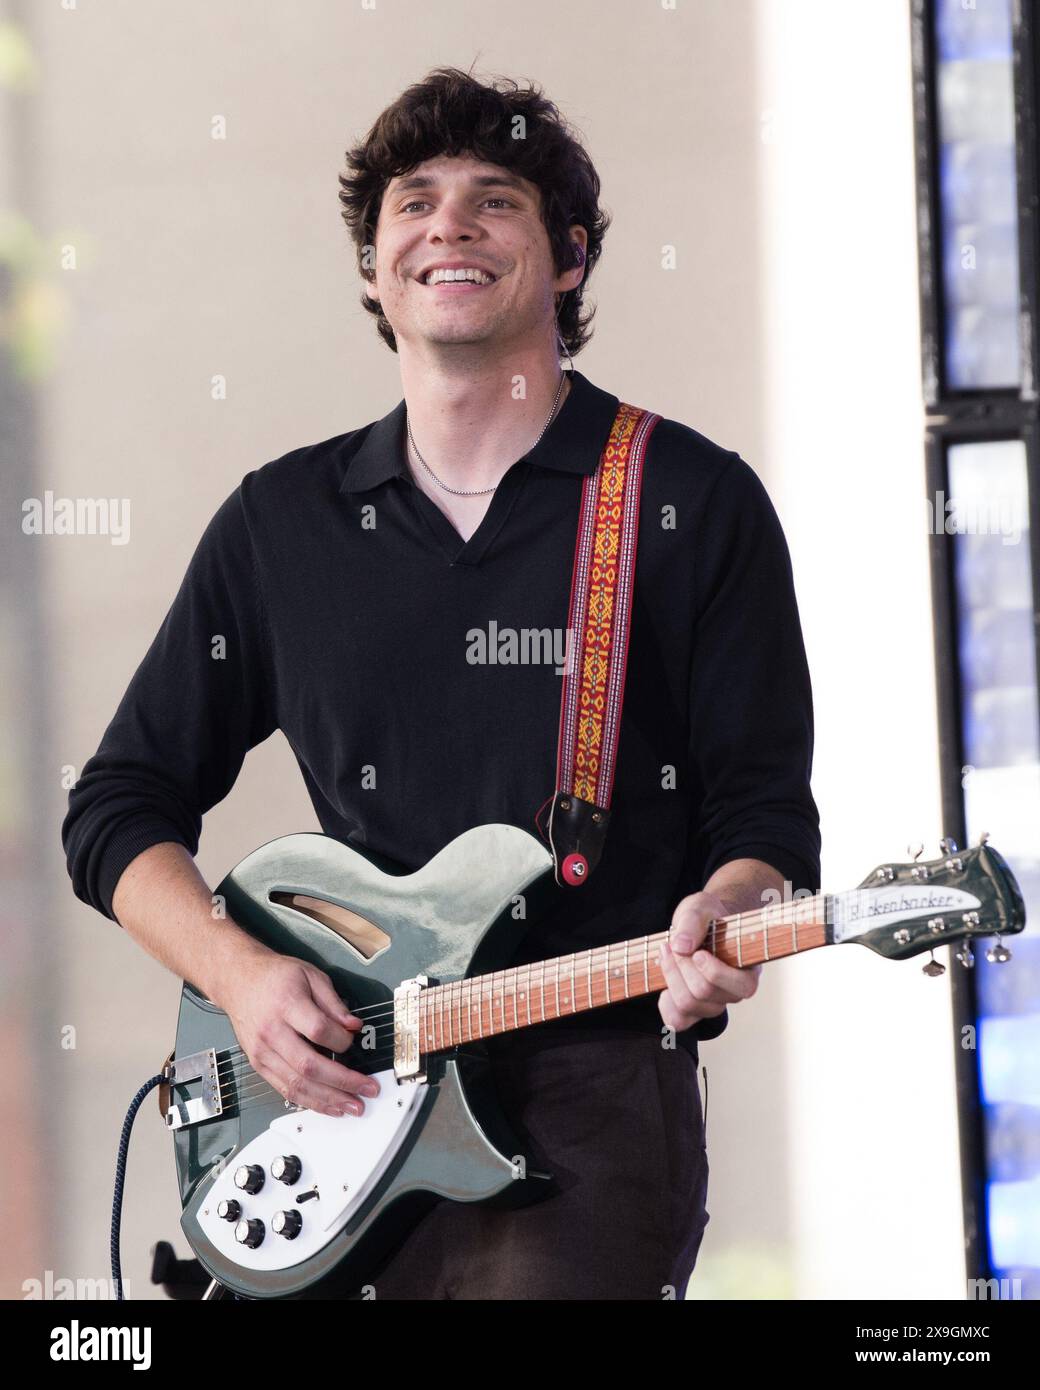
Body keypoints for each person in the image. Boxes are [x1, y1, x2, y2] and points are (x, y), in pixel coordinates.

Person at [61, 66, 821, 1300]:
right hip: (329, 1102)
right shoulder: (281, 524)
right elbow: (114, 806)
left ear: (566, 260)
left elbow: (762, 821)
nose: (447, 226)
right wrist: (240, 978)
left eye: (494, 201)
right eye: (412, 203)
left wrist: (726, 911)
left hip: (586, 1103)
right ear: (373, 268)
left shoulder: (688, 502)